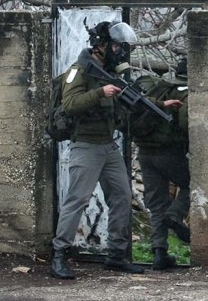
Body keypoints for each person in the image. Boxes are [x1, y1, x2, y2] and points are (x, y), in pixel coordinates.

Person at [50, 21, 182, 280]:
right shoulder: (80, 71)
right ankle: (59, 254)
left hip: (108, 146)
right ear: (100, 46)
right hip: (85, 146)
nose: (118, 51)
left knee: (121, 197)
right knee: (77, 200)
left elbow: (130, 101)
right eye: (113, 45)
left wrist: (160, 104)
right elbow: (70, 104)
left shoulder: (109, 72)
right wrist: (101, 92)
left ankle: (116, 255)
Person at [131, 55, 192, 271]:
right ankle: (175, 216)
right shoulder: (187, 92)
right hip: (169, 152)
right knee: (191, 185)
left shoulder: (161, 87)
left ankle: (159, 254)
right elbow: (186, 125)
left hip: (145, 152)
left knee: (157, 203)